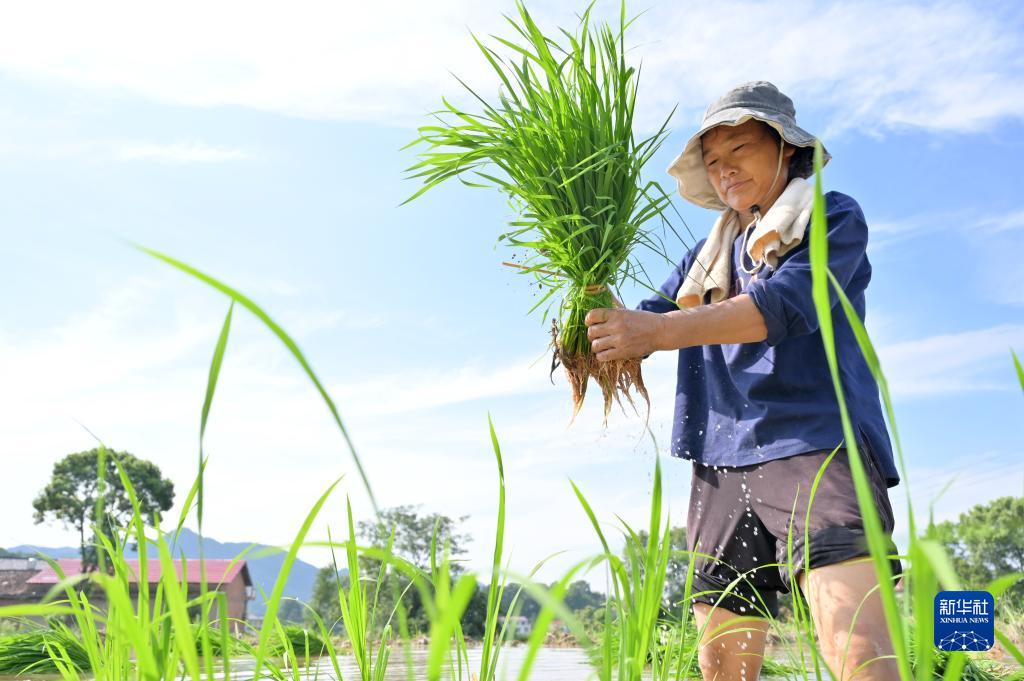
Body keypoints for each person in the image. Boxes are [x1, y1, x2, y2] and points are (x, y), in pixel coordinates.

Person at [583, 81, 903, 680]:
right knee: (722, 665)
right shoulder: (708, 254)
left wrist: (654, 333)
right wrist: (598, 313)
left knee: (855, 645)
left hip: (815, 443)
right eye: (713, 161)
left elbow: (778, 307)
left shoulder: (832, 216)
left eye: (740, 150)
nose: (724, 171)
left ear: (786, 150)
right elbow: (655, 316)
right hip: (720, 457)